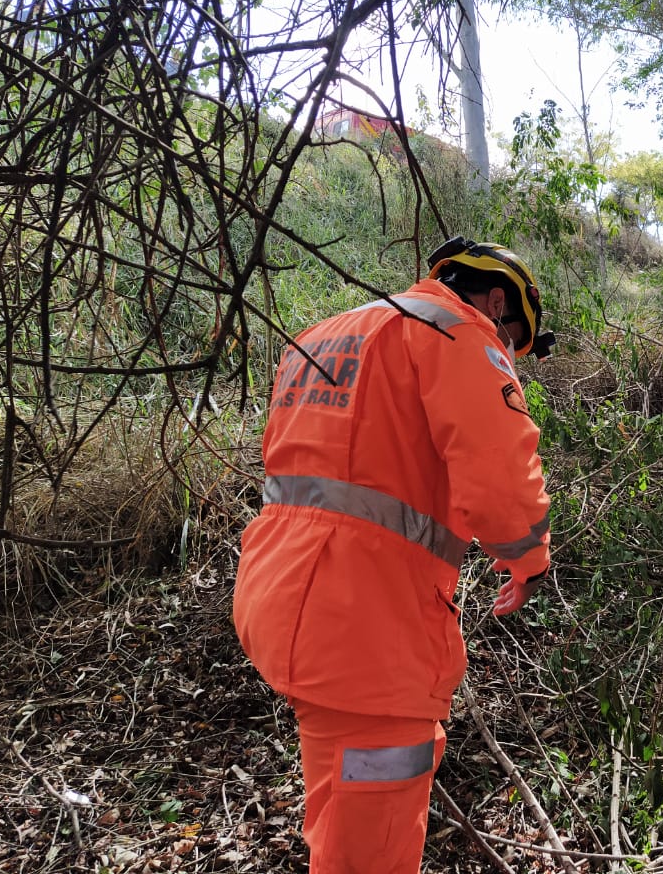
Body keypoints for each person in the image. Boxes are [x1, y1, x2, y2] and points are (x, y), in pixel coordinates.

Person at [233, 237, 555, 873]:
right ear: (497, 301)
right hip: (368, 627)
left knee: (337, 795)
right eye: (513, 341)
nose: (510, 356)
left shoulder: (324, 335)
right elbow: (499, 473)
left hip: (281, 599)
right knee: (373, 836)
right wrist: (529, 557)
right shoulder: (461, 331)